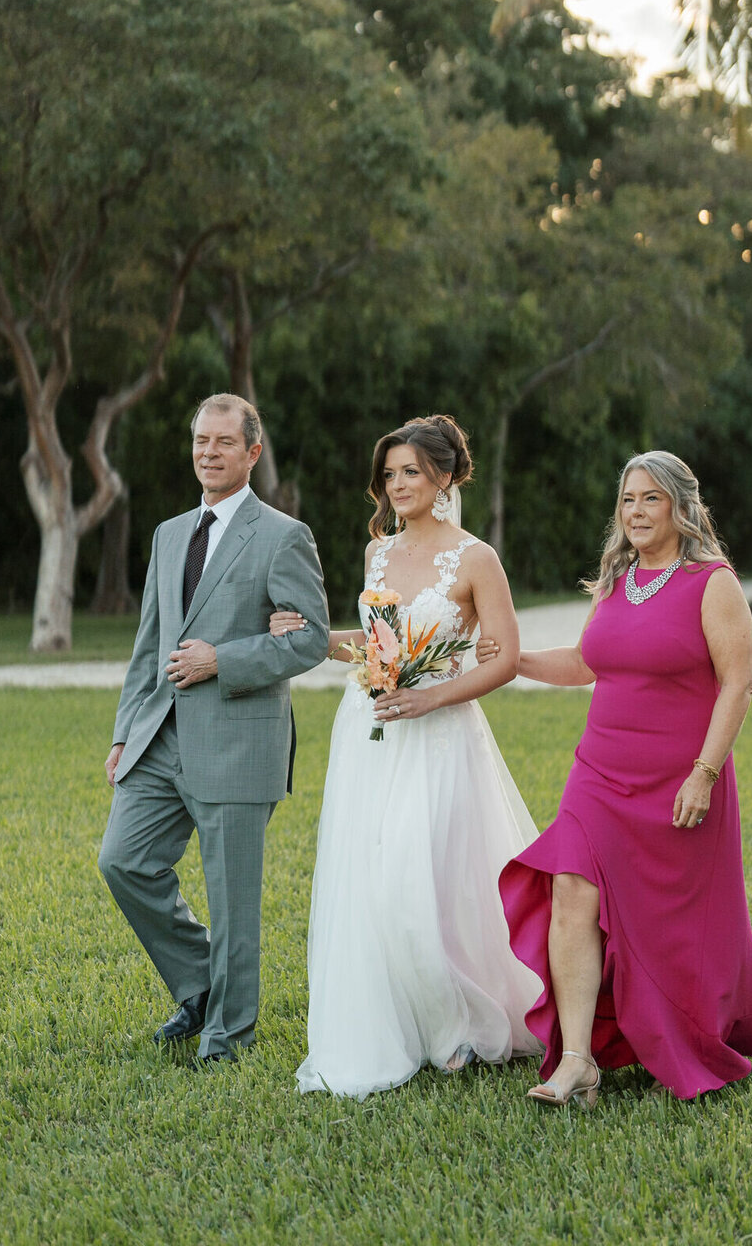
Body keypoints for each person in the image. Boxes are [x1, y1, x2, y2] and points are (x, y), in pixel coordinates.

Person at [267, 414, 541, 1097]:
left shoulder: (476, 558)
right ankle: (403, 1021)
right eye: (389, 475)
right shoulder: (377, 554)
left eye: (411, 472)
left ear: (444, 477)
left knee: (431, 881)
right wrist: (312, 636)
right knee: (375, 877)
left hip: (441, 736)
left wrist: (432, 700)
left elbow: (504, 658)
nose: (397, 486)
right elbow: (377, 649)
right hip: (370, 733)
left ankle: (456, 1027)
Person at [496, 450, 752, 1106]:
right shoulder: (617, 579)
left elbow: (739, 683)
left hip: (679, 777)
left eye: (651, 499)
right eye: (627, 499)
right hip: (599, 771)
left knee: (668, 921)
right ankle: (575, 1061)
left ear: (681, 506)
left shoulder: (713, 582)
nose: (637, 512)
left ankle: (685, 1029)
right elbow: (588, 662)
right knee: (570, 887)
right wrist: (513, 660)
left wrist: (704, 774)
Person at [98, 393, 330, 1064]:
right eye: (201, 441)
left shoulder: (285, 535)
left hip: (240, 737)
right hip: (160, 737)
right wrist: (124, 732)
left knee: (233, 900)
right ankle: (199, 984)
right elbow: (150, 643)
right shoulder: (169, 534)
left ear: (252, 452)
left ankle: (228, 1035)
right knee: (122, 860)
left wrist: (222, 659)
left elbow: (310, 639)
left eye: (224, 442)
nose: (209, 453)